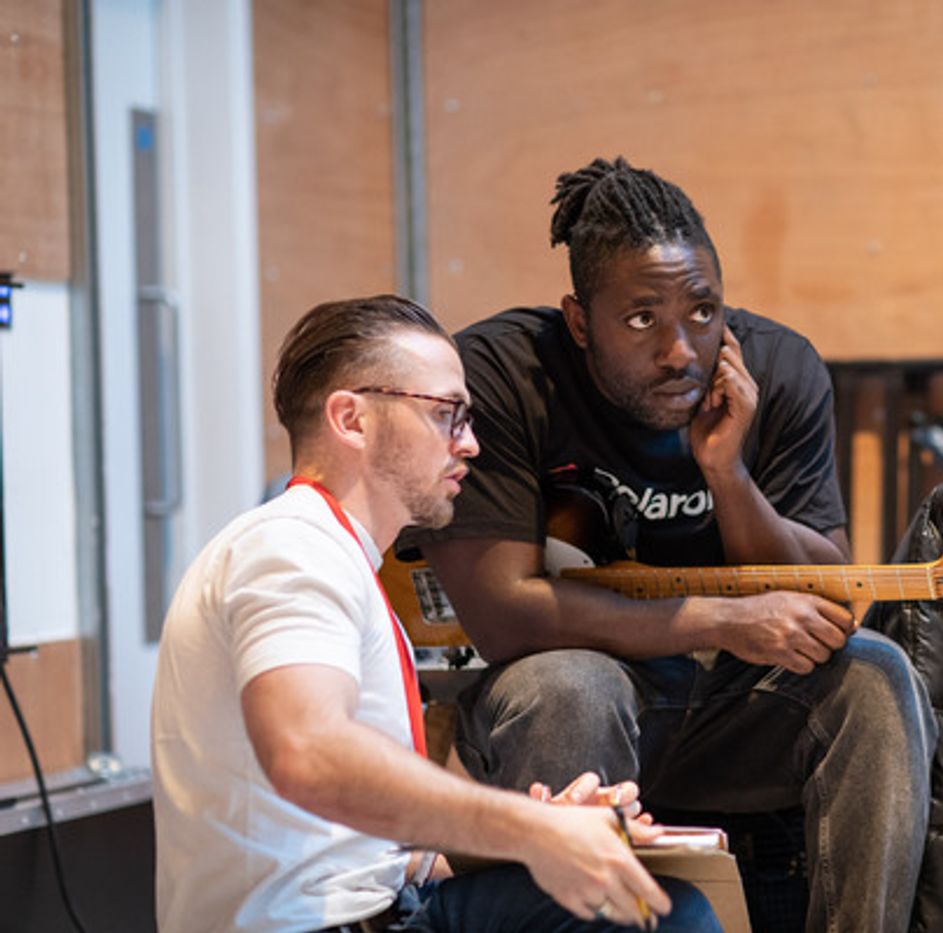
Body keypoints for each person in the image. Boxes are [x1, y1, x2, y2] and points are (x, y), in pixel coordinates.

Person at [409, 158, 936, 932]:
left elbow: (827, 594)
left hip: (731, 703)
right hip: (571, 698)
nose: (681, 349)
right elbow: (505, 615)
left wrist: (728, 475)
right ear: (580, 321)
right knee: (569, 685)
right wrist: (721, 619)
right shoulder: (502, 374)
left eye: (702, 311)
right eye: (641, 319)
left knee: (875, 675)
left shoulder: (778, 368)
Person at [150, 294, 721, 933]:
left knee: (646, 906)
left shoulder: (331, 554)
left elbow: (381, 860)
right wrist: (531, 829)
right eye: (447, 414)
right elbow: (306, 751)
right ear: (352, 419)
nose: (470, 444)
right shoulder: (290, 548)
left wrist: (552, 826)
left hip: (380, 908)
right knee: (665, 919)